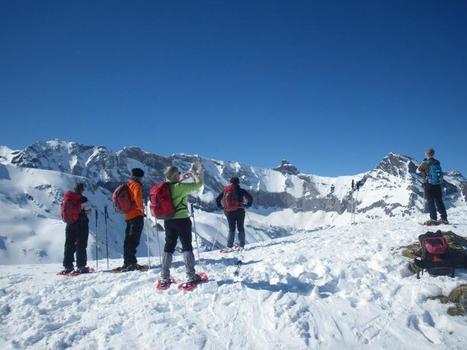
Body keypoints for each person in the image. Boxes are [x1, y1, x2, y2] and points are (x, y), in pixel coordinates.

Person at [159, 166, 204, 285]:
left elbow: (174, 186)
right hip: (182, 220)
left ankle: (164, 276)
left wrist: (181, 179)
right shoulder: (181, 187)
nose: (180, 174)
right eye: (178, 173)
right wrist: (194, 175)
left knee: (169, 246)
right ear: (174, 175)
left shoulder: (164, 187)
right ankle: (191, 275)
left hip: (168, 220)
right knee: (186, 245)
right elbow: (199, 184)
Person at [216, 177, 253, 249]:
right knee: (240, 228)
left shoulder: (225, 190)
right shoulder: (241, 190)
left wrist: (221, 207)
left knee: (231, 229)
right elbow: (250, 198)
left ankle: (229, 246)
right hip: (240, 211)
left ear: (230, 182)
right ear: (238, 183)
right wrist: (248, 205)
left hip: (228, 212)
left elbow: (217, 199)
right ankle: (242, 245)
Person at [62, 182, 91, 273]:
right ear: (82, 190)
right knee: (81, 244)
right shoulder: (83, 199)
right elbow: (88, 211)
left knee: (69, 244)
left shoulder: (67, 197)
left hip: (70, 223)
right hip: (81, 224)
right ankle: (81, 266)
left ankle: (68, 266)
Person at [121, 168, 145, 271]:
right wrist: (142, 209)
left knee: (128, 240)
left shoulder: (128, 184)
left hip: (127, 215)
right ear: (139, 177)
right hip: (136, 215)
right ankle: (131, 263)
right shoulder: (136, 185)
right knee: (133, 240)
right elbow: (137, 198)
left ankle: (127, 262)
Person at [417, 148, 448, 225]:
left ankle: (433, 219)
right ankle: (444, 218)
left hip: (429, 184)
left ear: (426, 154)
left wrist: (423, 163)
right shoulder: (437, 162)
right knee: (439, 201)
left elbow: (417, 170)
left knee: (430, 202)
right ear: (434, 154)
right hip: (437, 185)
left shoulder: (425, 162)